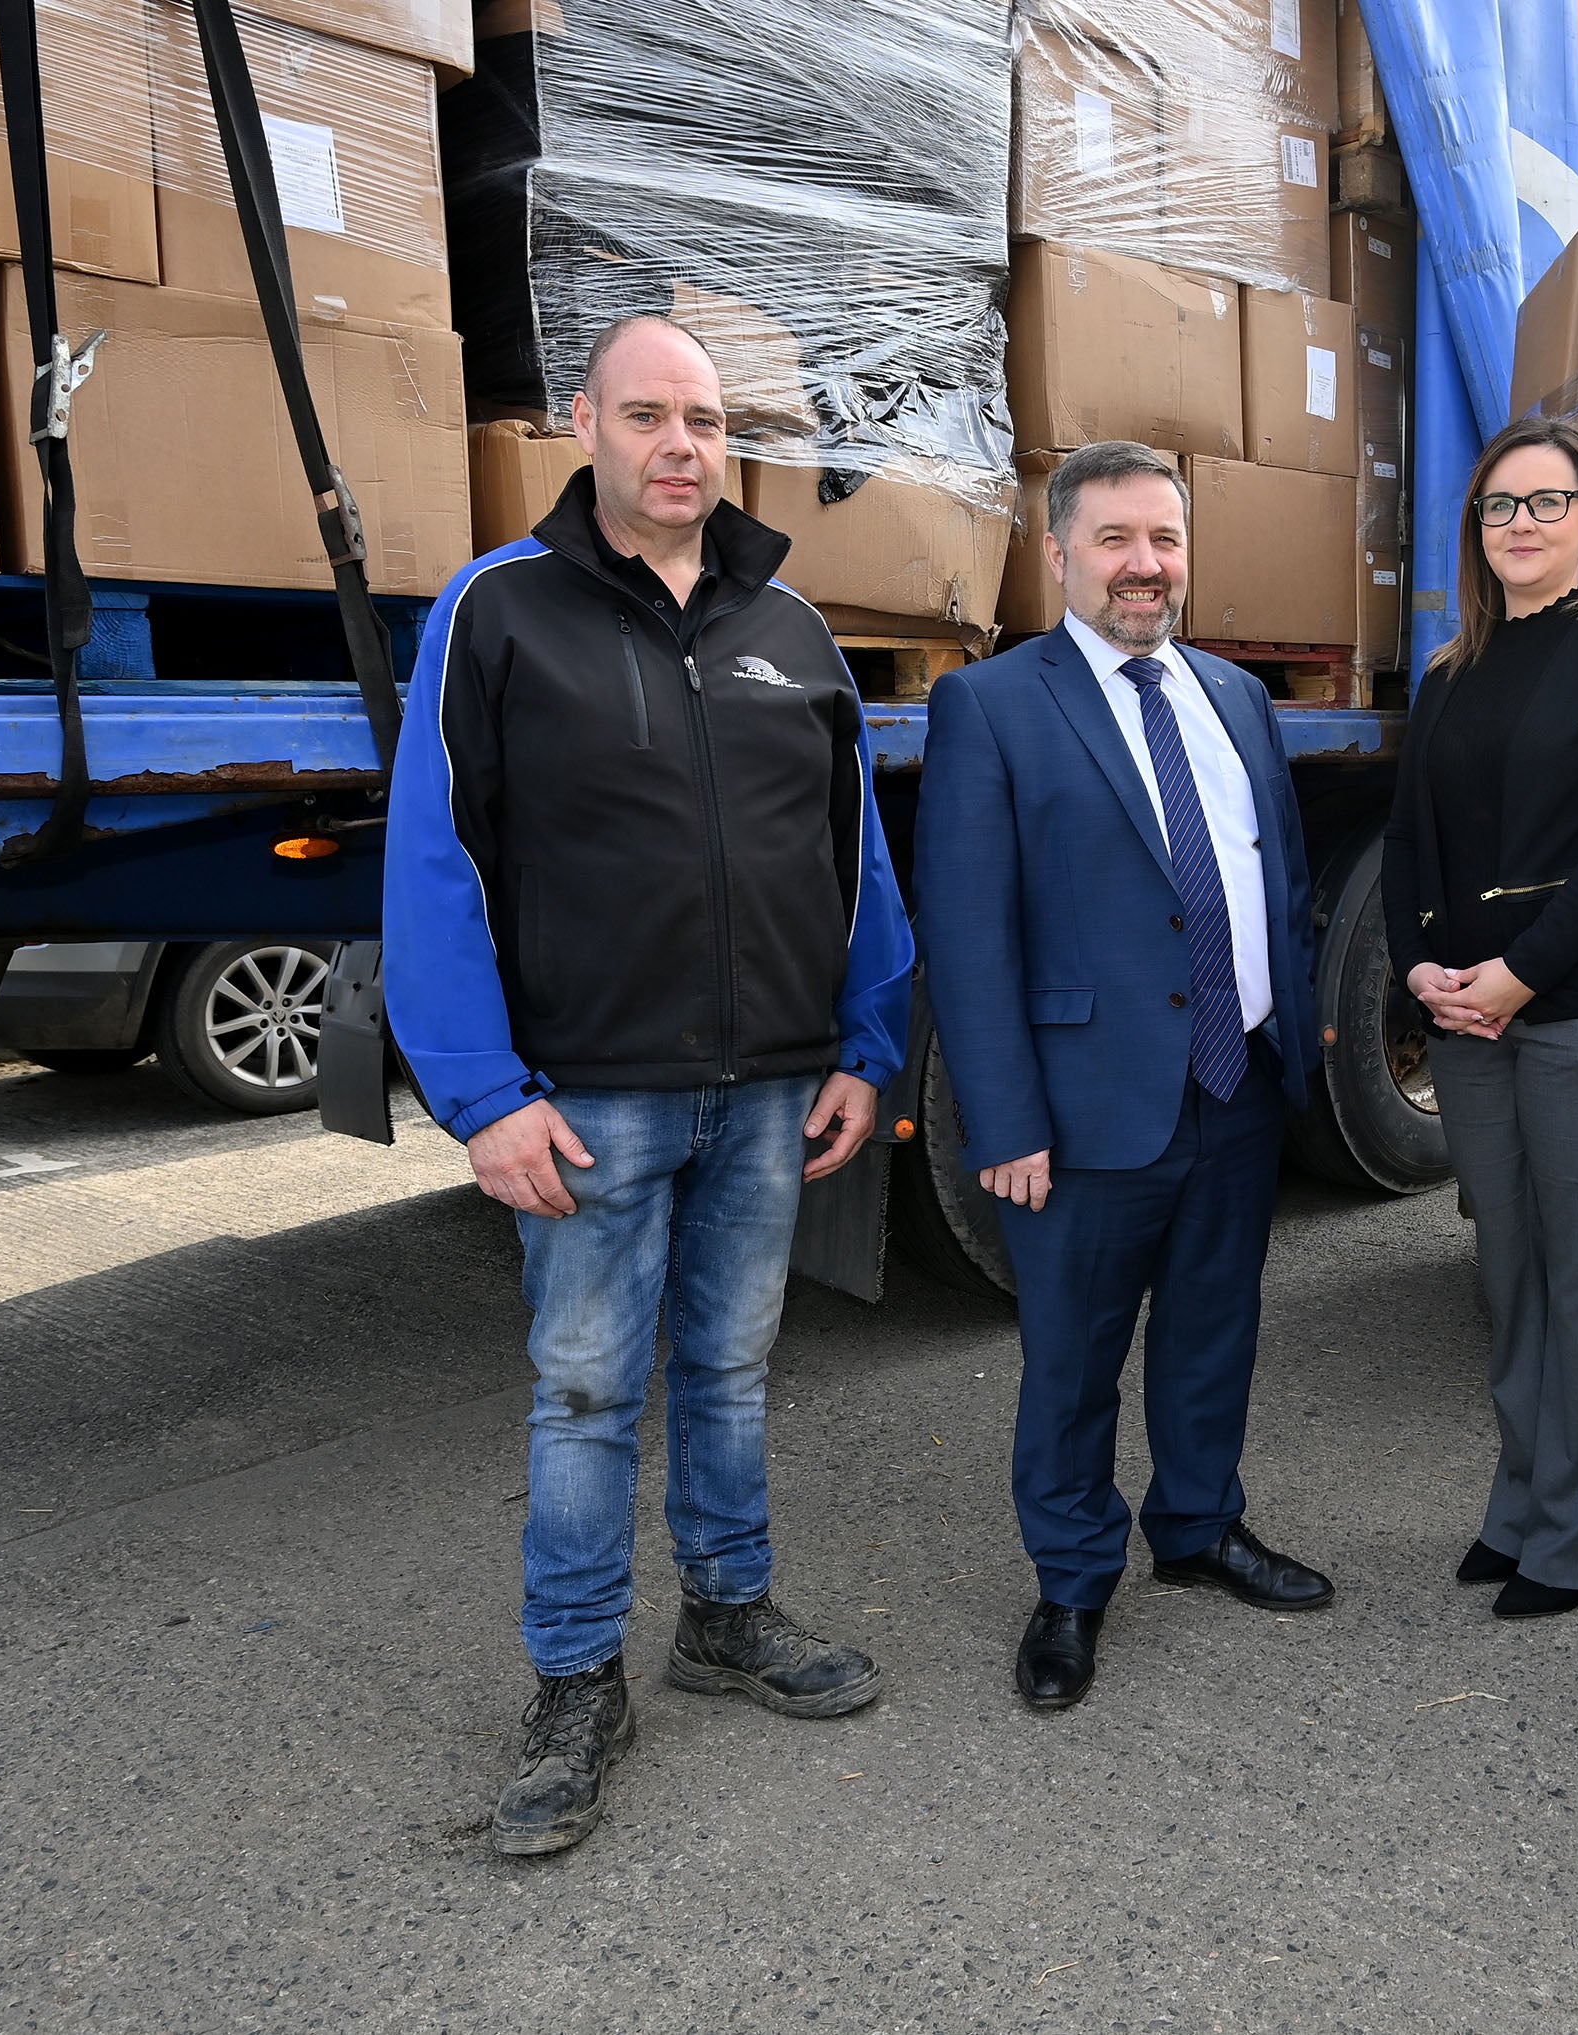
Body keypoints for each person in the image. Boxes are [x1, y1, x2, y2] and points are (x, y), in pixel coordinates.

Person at [385, 314, 915, 1856]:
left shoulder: (794, 629)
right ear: (584, 423)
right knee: (587, 1390)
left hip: (768, 1088)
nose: (680, 444)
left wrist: (867, 1043)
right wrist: (483, 1094)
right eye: (646, 415)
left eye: (702, 417)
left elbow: (857, 854)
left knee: (735, 1371)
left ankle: (728, 1613)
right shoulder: (498, 612)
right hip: (591, 1095)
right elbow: (434, 864)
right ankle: (574, 1681)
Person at [917, 440, 1332, 1712]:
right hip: (1085, 1109)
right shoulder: (992, 704)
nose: (1144, 566)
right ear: (1057, 554)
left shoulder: (1235, 695)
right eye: (1115, 541)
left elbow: (1283, 882)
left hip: (1235, 1085)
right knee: (1073, 1360)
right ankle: (1075, 1580)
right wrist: (1003, 1119)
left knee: (1215, 1331)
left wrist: (1294, 1040)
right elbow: (969, 933)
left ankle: (1199, 1527)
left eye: (1165, 540)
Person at [1380, 416, 1578, 1619]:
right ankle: (1522, 1503)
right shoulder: (1452, 673)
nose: (1521, 525)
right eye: (1500, 507)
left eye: (1546, 503)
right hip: (1468, 1022)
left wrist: (1520, 973)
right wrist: (1420, 968)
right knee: (1509, 1272)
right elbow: (1413, 839)